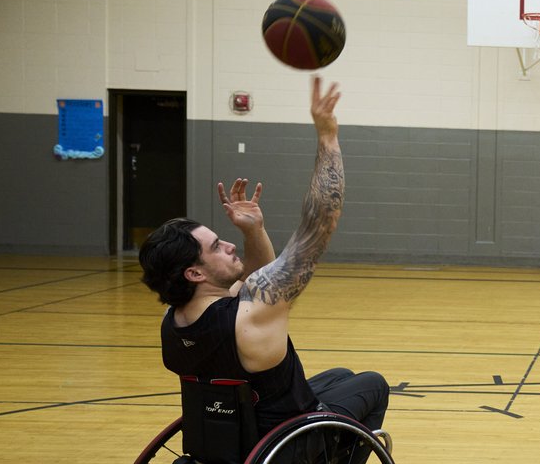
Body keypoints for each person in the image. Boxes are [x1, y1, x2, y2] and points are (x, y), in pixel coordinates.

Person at [138, 76, 388, 440]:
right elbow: (318, 224)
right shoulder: (251, 314)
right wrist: (328, 137)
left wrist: (253, 231)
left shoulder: (174, 321)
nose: (228, 244)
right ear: (194, 273)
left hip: (221, 439)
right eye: (215, 247)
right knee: (373, 384)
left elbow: (255, 279)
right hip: (282, 444)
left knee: (341, 376)